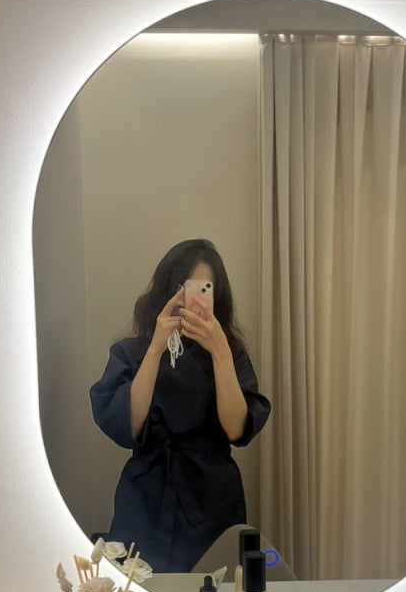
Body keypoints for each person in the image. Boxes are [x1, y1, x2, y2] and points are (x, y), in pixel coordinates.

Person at [90, 238, 271, 572]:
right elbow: (128, 426)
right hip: (147, 492)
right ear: (167, 291)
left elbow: (236, 429)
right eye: (185, 288)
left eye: (204, 290)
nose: (194, 300)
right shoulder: (132, 353)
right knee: (138, 590)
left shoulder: (229, 354)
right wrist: (156, 348)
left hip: (212, 493)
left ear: (217, 297)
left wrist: (220, 351)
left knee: (216, 589)